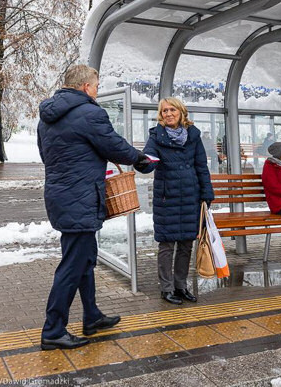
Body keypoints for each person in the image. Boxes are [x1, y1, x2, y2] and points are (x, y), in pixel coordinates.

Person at [38, 64, 147, 350]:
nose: (97, 92)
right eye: (96, 87)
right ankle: (52, 330)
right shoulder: (90, 112)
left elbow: (46, 155)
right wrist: (140, 158)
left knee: (84, 260)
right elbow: (113, 145)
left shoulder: (47, 117)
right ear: (86, 86)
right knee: (72, 266)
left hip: (61, 196)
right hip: (81, 197)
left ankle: (92, 316)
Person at [139, 97, 215, 305]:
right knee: (166, 244)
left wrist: (206, 194)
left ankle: (180, 286)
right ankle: (166, 288)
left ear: (181, 112)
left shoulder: (193, 135)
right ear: (160, 115)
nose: (168, 114)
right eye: (164, 111)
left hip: (191, 196)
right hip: (167, 197)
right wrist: (142, 162)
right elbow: (149, 161)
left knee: (186, 244)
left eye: (172, 109)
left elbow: (201, 166)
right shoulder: (156, 136)